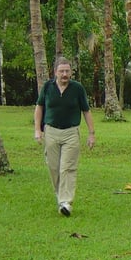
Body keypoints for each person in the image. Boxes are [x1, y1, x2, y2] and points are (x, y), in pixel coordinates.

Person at [34, 56, 96, 216]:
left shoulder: (77, 88)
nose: (64, 74)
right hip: (51, 132)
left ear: (71, 73)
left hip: (71, 133)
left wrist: (91, 133)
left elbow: (86, 111)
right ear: (55, 72)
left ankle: (66, 202)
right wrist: (37, 130)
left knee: (67, 167)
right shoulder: (48, 87)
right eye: (61, 71)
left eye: (67, 71)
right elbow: (39, 108)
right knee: (54, 167)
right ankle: (60, 196)